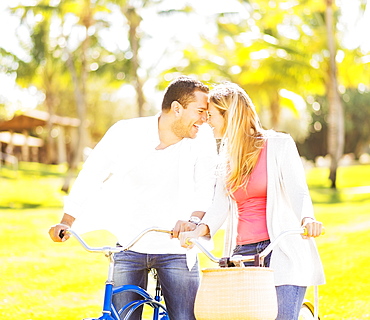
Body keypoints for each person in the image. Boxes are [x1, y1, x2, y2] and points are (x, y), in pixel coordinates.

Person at [49, 76, 218, 320]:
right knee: (121, 317)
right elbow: (92, 174)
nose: (205, 119)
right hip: (129, 243)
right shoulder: (126, 132)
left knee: (187, 317)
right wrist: (67, 221)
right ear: (177, 108)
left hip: (177, 248)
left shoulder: (203, 138)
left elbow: (205, 187)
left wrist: (193, 220)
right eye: (201, 111)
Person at [179, 82, 325, 320]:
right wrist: (197, 232)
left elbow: (299, 191)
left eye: (212, 115)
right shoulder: (226, 158)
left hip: (280, 249)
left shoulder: (278, 145)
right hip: (243, 254)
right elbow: (219, 206)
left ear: (230, 115)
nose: (207, 120)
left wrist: (307, 218)